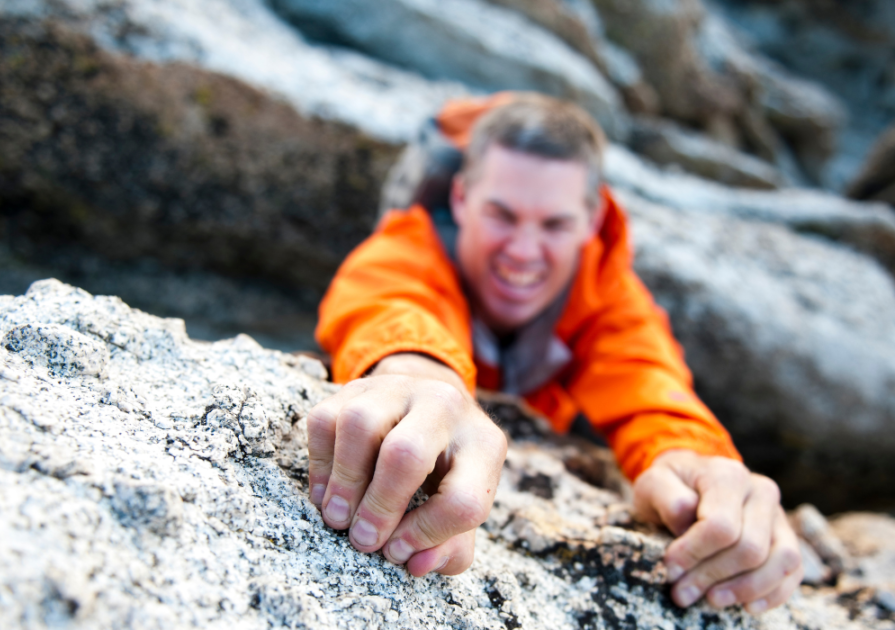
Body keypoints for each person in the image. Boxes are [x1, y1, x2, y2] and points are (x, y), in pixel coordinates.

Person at [306, 92, 803, 613]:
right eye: (501, 214)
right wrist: (419, 382)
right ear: (460, 199)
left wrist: (695, 460)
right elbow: (391, 299)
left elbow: (645, 375)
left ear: (591, 222)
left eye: (554, 225)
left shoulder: (606, 291)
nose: (522, 251)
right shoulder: (410, 245)